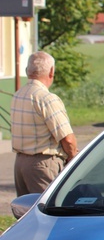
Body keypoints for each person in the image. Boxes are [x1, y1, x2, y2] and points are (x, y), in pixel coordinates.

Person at [11, 51, 78, 196]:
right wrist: (72, 158)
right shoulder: (46, 98)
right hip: (42, 164)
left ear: (27, 71)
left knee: (25, 211)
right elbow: (67, 139)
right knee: (47, 210)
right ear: (51, 71)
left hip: (20, 163)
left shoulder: (18, 95)